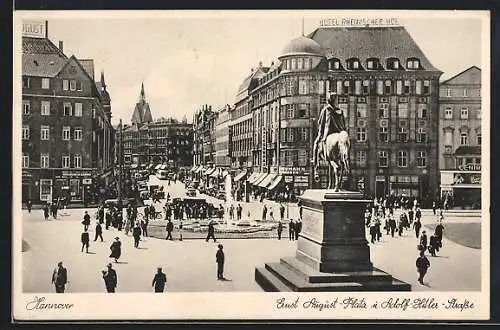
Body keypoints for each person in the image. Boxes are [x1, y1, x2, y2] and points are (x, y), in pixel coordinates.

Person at [312, 93, 347, 173]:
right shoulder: (339, 111)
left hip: (327, 132)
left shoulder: (326, 109)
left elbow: (320, 122)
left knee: (316, 144)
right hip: (339, 132)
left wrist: (321, 134)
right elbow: (344, 124)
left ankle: (316, 166)